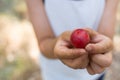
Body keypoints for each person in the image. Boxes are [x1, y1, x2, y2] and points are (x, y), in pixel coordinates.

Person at [26, 0, 118, 80]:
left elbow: (106, 36)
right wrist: (56, 46)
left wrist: (103, 50)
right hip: (56, 75)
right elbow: (43, 42)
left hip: (94, 74)